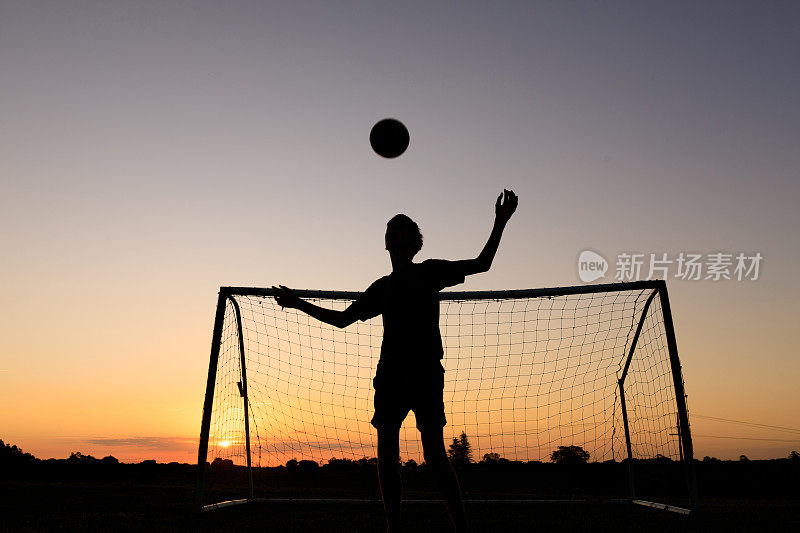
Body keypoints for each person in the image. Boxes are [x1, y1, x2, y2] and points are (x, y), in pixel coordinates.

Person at [272, 189, 518, 532]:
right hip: (390, 377)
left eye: (400, 227)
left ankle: (462, 527)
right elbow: (343, 319)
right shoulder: (381, 287)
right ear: (386, 243)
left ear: (413, 241)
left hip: (427, 375)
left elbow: (482, 264)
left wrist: (500, 221)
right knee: (387, 455)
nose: (393, 230)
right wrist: (299, 304)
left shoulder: (430, 272)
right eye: (389, 228)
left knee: (434, 455)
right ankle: (394, 528)